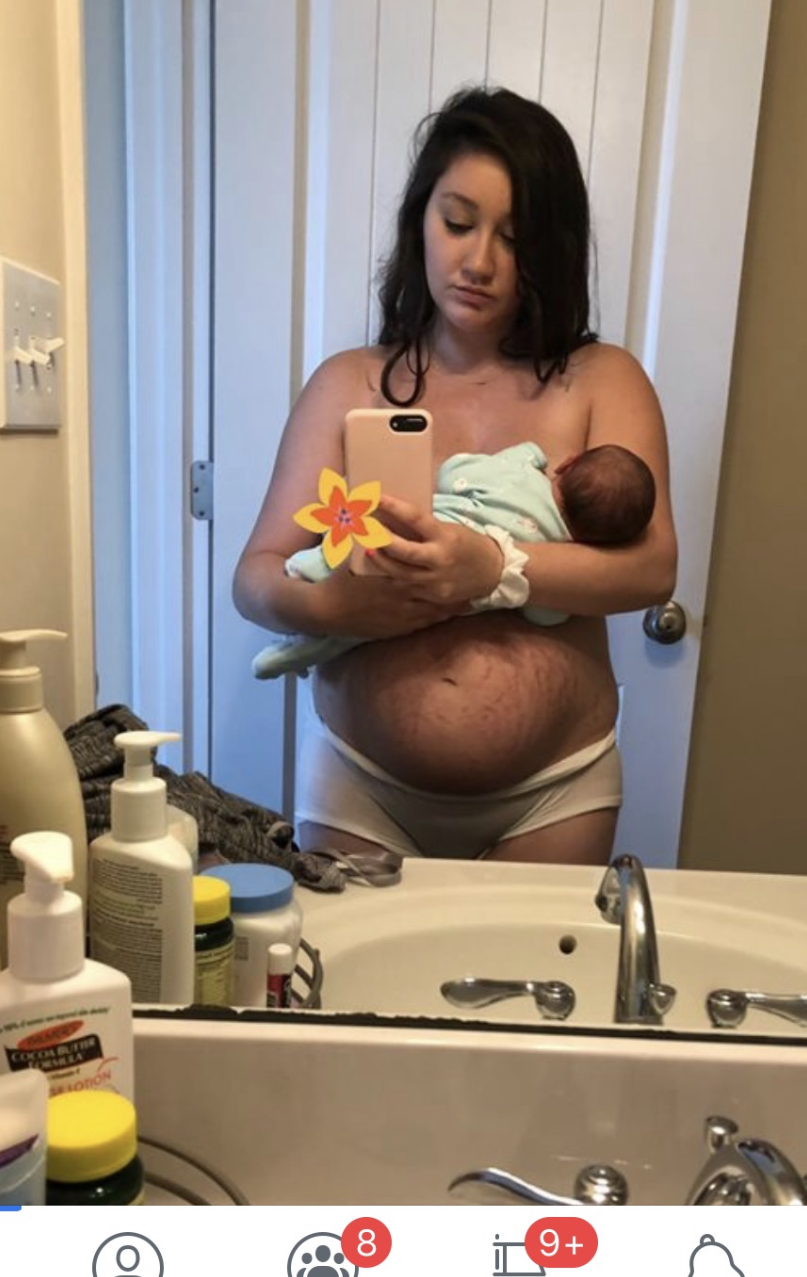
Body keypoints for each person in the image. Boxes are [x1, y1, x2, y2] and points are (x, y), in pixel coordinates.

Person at [233, 86, 678, 864]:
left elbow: (652, 569)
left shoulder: (604, 380)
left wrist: (495, 569)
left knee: (535, 953)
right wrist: (338, 605)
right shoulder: (346, 384)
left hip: (556, 794)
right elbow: (255, 578)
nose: (479, 262)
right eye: (458, 222)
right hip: (360, 789)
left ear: (552, 249)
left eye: (515, 237)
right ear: (421, 222)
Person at [250, 438, 657, 676]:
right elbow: (546, 615)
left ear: (567, 464)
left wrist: (529, 454)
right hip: (428, 605)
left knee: (365, 556)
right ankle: (295, 653)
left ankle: (306, 568)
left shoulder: (516, 474)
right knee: (352, 634)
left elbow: (454, 473)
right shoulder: (559, 546)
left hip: (405, 542)